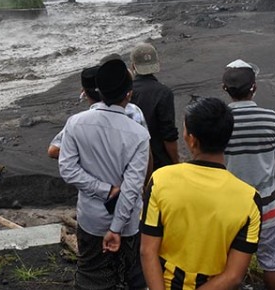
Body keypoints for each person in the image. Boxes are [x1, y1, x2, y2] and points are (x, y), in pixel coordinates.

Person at [140, 97, 261, 290]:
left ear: (192, 140)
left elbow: (147, 251)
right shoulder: (250, 199)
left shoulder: (161, 180)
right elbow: (233, 276)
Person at [59, 58, 150, 289]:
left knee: (91, 274)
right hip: (128, 222)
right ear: (129, 94)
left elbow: (68, 170)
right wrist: (116, 229)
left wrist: (104, 190)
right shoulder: (139, 135)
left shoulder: (75, 123)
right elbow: (131, 188)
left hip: (91, 218)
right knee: (133, 278)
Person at [222, 60, 275, 290]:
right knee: (272, 265)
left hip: (229, 209)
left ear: (225, 89)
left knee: (228, 267)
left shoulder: (218, 123)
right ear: (254, 87)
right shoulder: (272, 119)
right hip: (268, 205)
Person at [47, 65, 146, 159]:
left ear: (84, 93)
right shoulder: (133, 111)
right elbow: (144, 149)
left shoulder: (80, 121)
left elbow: (53, 151)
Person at [130, 43, 179, 170]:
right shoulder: (164, 92)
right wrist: (176, 161)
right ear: (157, 63)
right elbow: (168, 134)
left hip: (133, 160)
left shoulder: (126, 92)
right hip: (160, 160)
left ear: (133, 66)